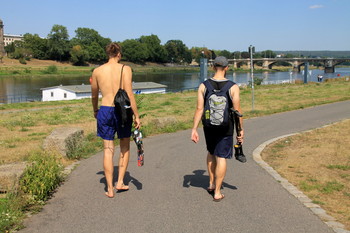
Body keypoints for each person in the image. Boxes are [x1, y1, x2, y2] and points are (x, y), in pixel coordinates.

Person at [91, 42, 141, 198]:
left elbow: (94, 95)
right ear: (119, 54)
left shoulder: (97, 71)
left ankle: (110, 189)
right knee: (124, 146)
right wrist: (137, 116)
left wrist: (95, 110)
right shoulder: (125, 69)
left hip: (105, 110)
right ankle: (120, 182)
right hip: (122, 111)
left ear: (108, 54)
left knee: (108, 149)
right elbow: (130, 94)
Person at [191, 56, 244, 202]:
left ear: (213, 67)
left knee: (211, 152)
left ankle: (211, 183)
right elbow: (237, 111)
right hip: (226, 127)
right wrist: (240, 131)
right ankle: (218, 192)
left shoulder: (204, 85)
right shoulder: (233, 87)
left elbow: (199, 109)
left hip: (208, 126)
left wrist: (194, 129)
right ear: (227, 68)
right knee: (221, 157)